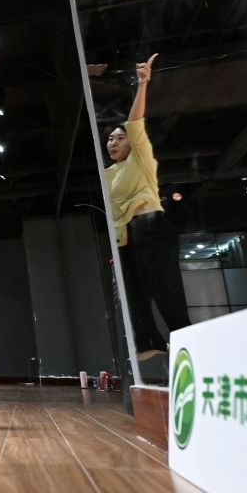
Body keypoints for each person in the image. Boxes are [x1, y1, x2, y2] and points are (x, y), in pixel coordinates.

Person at [104, 53, 191, 362]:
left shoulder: (140, 158)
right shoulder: (108, 174)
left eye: (119, 138)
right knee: (133, 295)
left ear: (132, 142)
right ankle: (149, 341)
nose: (113, 143)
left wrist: (142, 84)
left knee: (166, 291)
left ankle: (189, 343)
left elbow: (134, 123)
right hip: (127, 237)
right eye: (109, 139)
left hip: (151, 226)